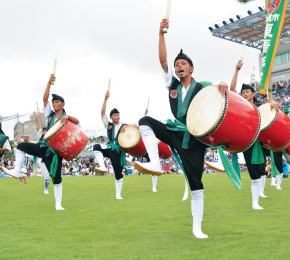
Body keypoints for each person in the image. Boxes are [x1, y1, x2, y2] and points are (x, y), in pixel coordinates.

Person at [133, 19, 228, 239]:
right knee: (145, 121)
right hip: (175, 131)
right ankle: (155, 161)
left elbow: (220, 98)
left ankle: (197, 227)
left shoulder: (203, 86)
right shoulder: (172, 85)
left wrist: (222, 84)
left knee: (197, 185)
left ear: (191, 68)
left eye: (183, 63)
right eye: (177, 64)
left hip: (194, 139)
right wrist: (161, 34)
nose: (179, 66)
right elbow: (163, 60)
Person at [1, 74, 80, 210]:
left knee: (56, 178)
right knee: (20, 146)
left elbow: (77, 123)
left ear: (63, 104)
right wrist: (49, 83)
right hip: (42, 146)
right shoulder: (50, 114)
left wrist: (69, 116)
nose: (54, 104)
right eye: (53, 102)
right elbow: (44, 99)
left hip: (54, 152)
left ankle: (58, 204)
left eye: (57, 102)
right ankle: (16, 171)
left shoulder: (66, 118)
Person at [230, 60, 281, 209]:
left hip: (262, 142)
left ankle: (258, 197)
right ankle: (254, 202)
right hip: (248, 143)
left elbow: (272, 111)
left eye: (247, 92)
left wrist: (272, 104)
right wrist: (237, 70)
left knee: (262, 170)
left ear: (253, 93)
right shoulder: (240, 107)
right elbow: (231, 90)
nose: (244, 94)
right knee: (254, 173)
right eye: (243, 92)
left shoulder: (261, 107)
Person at [93, 91, 134, 199]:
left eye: (118, 114)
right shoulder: (109, 125)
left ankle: (118, 194)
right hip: (110, 148)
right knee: (96, 146)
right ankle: (102, 166)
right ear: (111, 117)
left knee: (118, 173)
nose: (117, 116)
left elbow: (136, 126)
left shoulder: (124, 125)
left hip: (118, 151)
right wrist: (105, 99)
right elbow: (102, 113)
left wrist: (128, 126)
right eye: (115, 115)